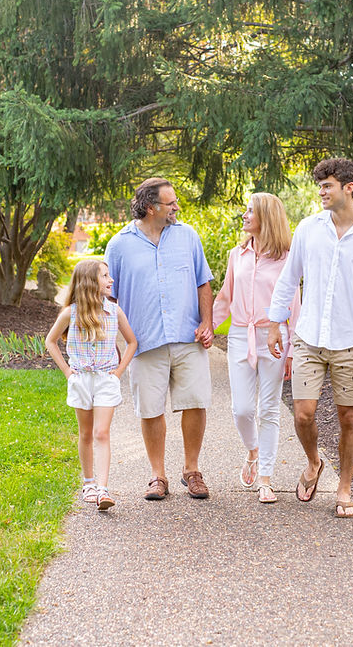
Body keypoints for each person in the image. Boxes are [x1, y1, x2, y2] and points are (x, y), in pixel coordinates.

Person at [266, 158, 353, 518]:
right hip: (309, 338)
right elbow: (289, 278)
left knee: (348, 419)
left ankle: (344, 489)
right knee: (303, 414)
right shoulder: (309, 229)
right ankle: (313, 463)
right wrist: (276, 323)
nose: (321, 192)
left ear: (348, 188)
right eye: (319, 186)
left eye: (327, 186)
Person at [105, 177, 215, 501]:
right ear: (151, 208)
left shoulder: (187, 236)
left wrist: (207, 322)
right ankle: (158, 476)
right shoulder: (119, 245)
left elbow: (203, 283)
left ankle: (192, 470)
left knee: (195, 403)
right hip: (144, 341)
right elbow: (108, 298)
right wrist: (113, 345)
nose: (176, 207)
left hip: (187, 337)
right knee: (150, 409)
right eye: (171, 203)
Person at [212, 193, 300, 504]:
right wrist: (207, 326)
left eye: (250, 211)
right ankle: (253, 450)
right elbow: (225, 296)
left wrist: (291, 351)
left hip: (275, 337)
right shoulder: (238, 254)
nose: (245, 216)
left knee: (270, 409)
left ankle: (266, 479)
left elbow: (295, 304)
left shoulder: (287, 258)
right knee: (242, 410)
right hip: (239, 335)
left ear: (267, 217)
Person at [45, 259, 138, 511]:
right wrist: (68, 372)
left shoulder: (114, 311)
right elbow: (50, 341)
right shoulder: (70, 314)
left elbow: (132, 343)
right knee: (86, 433)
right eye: (105, 276)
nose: (111, 280)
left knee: (101, 433)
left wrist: (118, 373)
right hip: (81, 380)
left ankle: (103, 489)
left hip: (106, 380)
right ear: (89, 282)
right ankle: (88, 482)